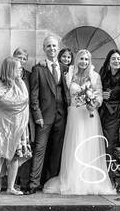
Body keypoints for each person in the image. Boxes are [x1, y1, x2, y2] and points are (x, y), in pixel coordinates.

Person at [42, 49, 115, 195]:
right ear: (77, 60)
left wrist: (95, 103)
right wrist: (43, 62)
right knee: (75, 144)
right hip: (75, 115)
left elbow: (99, 95)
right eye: (81, 59)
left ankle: (90, 179)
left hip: (89, 115)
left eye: (86, 59)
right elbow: (54, 68)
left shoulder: (95, 76)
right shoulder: (69, 74)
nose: (84, 62)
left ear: (90, 61)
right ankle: (73, 180)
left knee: (90, 146)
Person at [26, 35, 68, 194]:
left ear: (58, 49)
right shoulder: (38, 69)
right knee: (39, 149)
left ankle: (50, 182)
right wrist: (37, 115)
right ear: (44, 49)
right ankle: (33, 184)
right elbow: (34, 95)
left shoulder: (65, 68)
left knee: (57, 150)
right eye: (48, 46)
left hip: (62, 116)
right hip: (44, 116)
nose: (52, 49)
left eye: (54, 46)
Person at [0, 56, 31, 197]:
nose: (20, 70)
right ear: (10, 69)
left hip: (19, 125)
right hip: (3, 126)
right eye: (18, 68)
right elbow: (2, 101)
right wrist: (19, 101)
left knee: (15, 158)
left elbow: (24, 100)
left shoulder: (21, 84)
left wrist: (19, 101)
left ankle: (11, 187)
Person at [99, 49, 120, 191]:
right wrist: (101, 95)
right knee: (106, 147)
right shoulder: (103, 75)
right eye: (113, 59)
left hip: (118, 113)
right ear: (108, 62)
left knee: (115, 145)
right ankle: (111, 179)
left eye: (119, 59)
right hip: (104, 113)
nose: (117, 61)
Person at [12, 47, 34, 192]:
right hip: (10, 117)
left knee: (25, 148)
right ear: (14, 57)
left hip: (26, 117)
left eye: (24, 58)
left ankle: (23, 182)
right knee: (10, 149)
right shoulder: (5, 73)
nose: (22, 60)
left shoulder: (29, 75)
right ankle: (7, 183)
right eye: (19, 57)